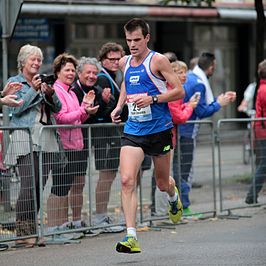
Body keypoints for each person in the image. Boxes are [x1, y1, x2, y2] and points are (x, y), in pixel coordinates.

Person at [111, 18, 185, 254]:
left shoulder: (158, 60)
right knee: (126, 180)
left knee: (162, 183)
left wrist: (152, 99)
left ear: (146, 38)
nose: (132, 45)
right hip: (134, 130)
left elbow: (178, 91)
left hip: (160, 130)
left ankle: (174, 197)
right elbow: (126, 85)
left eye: (136, 40)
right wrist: (119, 106)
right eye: (128, 40)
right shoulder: (125, 62)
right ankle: (131, 236)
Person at [3, 44, 62, 247]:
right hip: (24, 136)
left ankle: (32, 232)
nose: (37, 63)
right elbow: (16, 110)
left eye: (39, 59)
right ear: (22, 62)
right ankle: (23, 234)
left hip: (45, 136)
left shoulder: (42, 81)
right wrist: (34, 91)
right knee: (28, 185)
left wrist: (50, 93)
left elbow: (58, 109)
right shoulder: (14, 82)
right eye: (33, 60)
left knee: (39, 185)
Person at [46, 53, 98, 233]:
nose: (70, 73)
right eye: (66, 70)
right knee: (59, 188)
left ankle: (62, 226)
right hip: (64, 147)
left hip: (77, 145)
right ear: (58, 72)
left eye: (72, 70)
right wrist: (83, 109)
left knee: (67, 187)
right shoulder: (57, 90)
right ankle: (53, 227)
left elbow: (78, 119)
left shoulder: (70, 91)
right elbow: (61, 118)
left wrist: (87, 109)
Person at [178, 52, 236, 215]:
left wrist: (218, 99)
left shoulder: (191, 78)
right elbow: (202, 111)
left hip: (180, 130)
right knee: (185, 171)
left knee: (179, 169)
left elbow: (200, 104)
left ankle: (178, 206)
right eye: (214, 68)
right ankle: (185, 206)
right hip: (187, 131)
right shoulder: (198, 83)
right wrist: (220, 103)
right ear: (211, 67)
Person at [72, 56, 124, 232]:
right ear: (79, 73)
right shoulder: (74, 90)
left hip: (99, 136)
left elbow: (102, 114)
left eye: (94, 72)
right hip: (76, 139)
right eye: (88, 72)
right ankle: (73, 222)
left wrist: (104, 100)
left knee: (106, 174)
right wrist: (86, 110)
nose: (92, 76)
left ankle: (100, 218)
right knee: (75, 181)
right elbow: (70, 114)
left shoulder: (98, 88)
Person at [155, 60, 199, 216]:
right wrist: (190, 107)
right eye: (180, 72)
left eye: (185, 72)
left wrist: (186, 105)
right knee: (163, 176)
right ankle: (161, 212)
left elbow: (177, 111)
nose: (184, 75)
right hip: (165, 137)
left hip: (168, 137)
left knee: (164, 175)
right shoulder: (170, 90)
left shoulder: (176, 91)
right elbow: (179, 117)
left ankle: (163, 210)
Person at [91, 42, 125, 232]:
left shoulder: (114, 76)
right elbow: (100, 111)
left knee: (110, 175)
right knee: (106, 175)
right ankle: (99, 218)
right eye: (110, 59)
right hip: (103, 134)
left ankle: (102, 216)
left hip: (111, 133)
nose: (114, 62)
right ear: (102, 60)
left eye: (117, 58)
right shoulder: (103, 79)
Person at [245, 59, 266, 204]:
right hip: (263, 129)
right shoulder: (264, 89)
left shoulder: (262, 87)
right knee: (263, 164)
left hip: (261, 128)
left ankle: (252, 195)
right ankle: (251, 195)